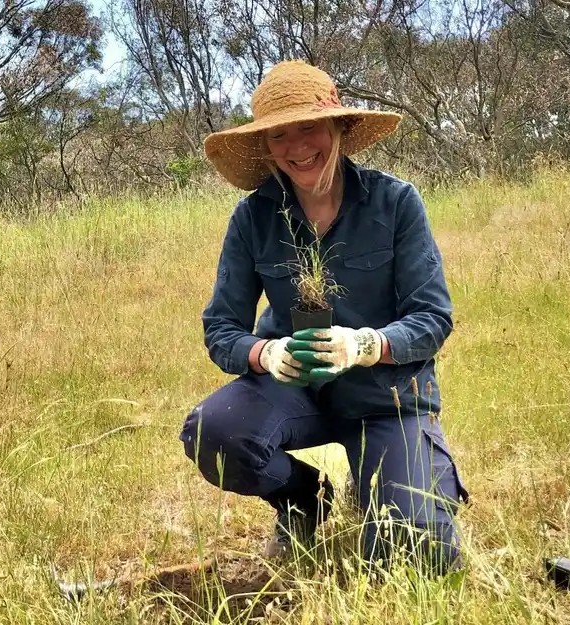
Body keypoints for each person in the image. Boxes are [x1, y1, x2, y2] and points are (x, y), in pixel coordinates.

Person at [179, 60, 469, 576]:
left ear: (338, 126)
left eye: (308, 127)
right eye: (279, 135)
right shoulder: (253, 217)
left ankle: (386, 473)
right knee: (214, 433)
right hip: (296, 392)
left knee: (417, 556)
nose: (295, 146)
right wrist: (265, 352)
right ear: (266, 147)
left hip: (385, 397)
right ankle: (304, 498)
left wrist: (366, 344)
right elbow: (221, 328)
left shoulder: (396, 203)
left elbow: (432, 318)